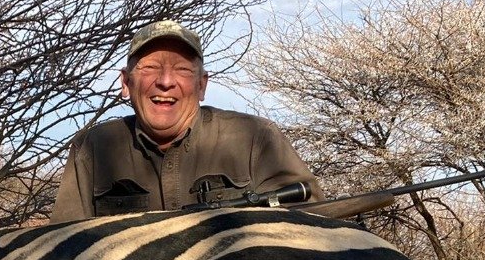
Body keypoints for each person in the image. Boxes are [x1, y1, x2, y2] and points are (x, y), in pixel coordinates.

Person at [50, 20, 321, 222]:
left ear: (202, 85)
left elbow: (311, 229)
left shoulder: (256, 137)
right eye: (150, 67)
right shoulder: (93, 148)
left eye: (182, 70)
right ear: (125, 83)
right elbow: (63, 247)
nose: (166, 82)